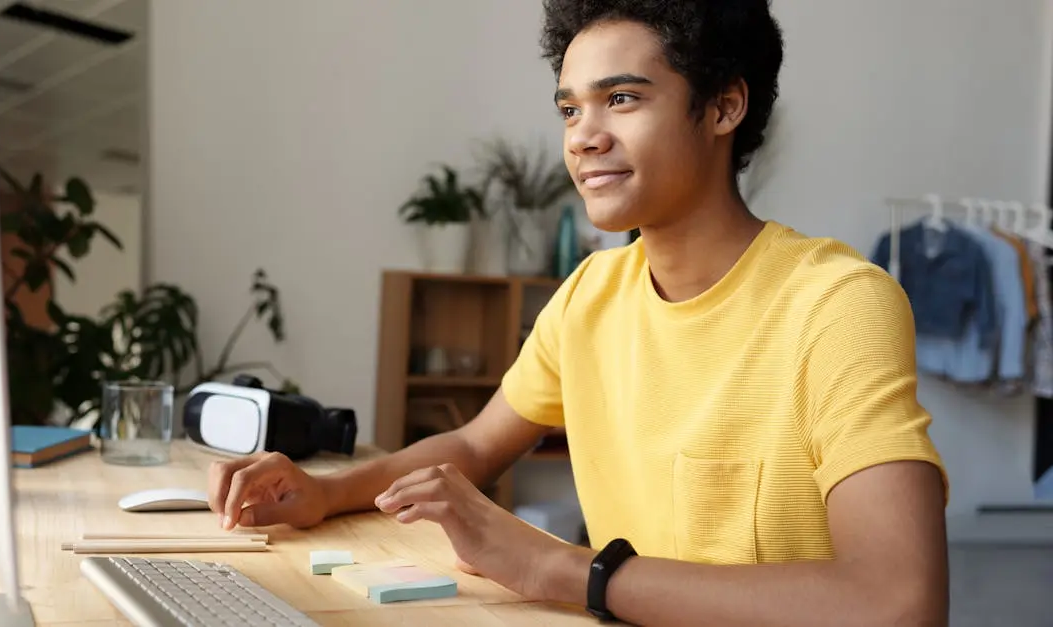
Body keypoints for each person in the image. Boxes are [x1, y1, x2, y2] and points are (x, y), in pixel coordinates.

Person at [207, 1, 951, 624]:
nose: (583, 136)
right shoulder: (591, 293)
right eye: (571, 107)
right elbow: (473, 448)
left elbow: (899, 599)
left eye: (622, 99)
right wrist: (324, 489)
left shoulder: (837, 303)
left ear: (724, 105)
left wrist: (564, 568)